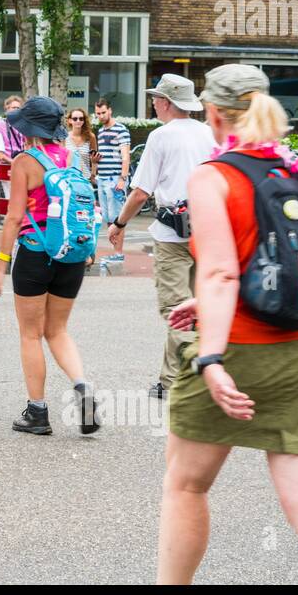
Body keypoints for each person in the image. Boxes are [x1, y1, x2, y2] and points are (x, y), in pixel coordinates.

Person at [158, 64, 298, 584]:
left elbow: (223, 270)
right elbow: (281, 265)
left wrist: (209, 356)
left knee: (186, 487)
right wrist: (210, 305)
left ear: (213, 112)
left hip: (239, 350)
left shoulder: (214, 176)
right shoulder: (297, 173)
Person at [0, 97, 98, 437]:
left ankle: (37, 411)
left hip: (36, 252)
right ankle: (82, 387)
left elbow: (15, 218)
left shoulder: (25, 161)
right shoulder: (72, 157)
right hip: (71, 255)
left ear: (29, 128)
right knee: (58, 330)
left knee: (31, 334)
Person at [108, 75, 213, 399]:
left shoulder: (161, 137)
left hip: (172, 233)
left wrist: (119, 223)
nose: (153, 102)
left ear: (167, 102)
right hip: (208, 229)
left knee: (175, 309)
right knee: (198, 308)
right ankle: (170, 380)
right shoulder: (209, 134)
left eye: (156, 98)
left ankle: (193, 378)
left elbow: (141, 192)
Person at [94, 97, 130, 264]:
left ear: (110, 110)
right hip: (102, 178)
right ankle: (115, 252)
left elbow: (125, 156)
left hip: (115, 178)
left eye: (103, 112)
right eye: (98, 113)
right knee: (108, 218)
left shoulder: (121, 130)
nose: (101, 116)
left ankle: (118, 253)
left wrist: (122, 178)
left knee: (118, 218)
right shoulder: (100, 132)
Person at [63, 107, 97, 183]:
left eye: (81, 119)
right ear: (70, 120)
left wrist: (93, 175)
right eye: (75, 119)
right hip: (69, 179)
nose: (78, 121)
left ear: (84, 121)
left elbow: (94, 159)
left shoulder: (90, 137)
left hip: (85, 179)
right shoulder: (65, 137)